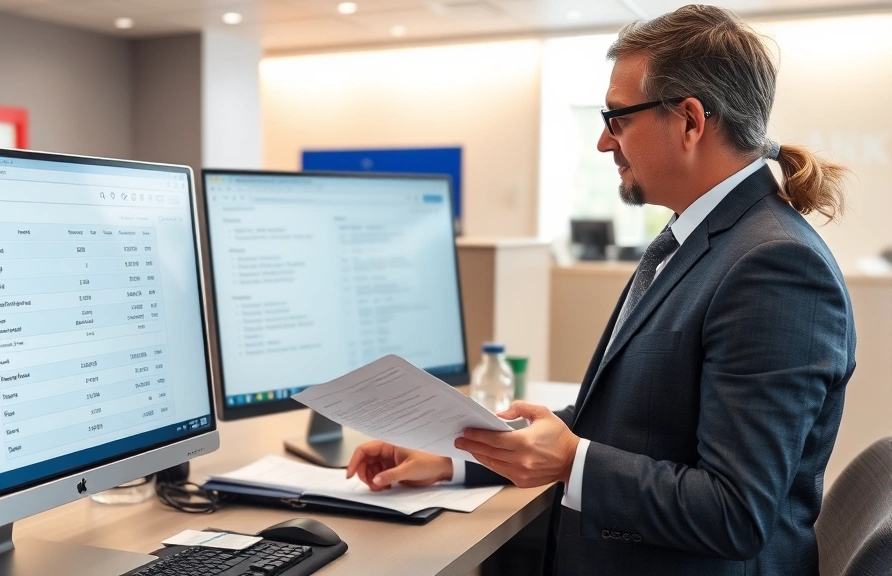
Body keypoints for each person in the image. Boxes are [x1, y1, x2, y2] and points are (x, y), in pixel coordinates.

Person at [346, 5, 856, 575]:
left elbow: (735, 512)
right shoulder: (701, 237)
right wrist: (457, 456)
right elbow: (630, 419)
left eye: (616, 119)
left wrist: (569, 461)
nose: (602, 143)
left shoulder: (775, 266)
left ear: (689, 120)